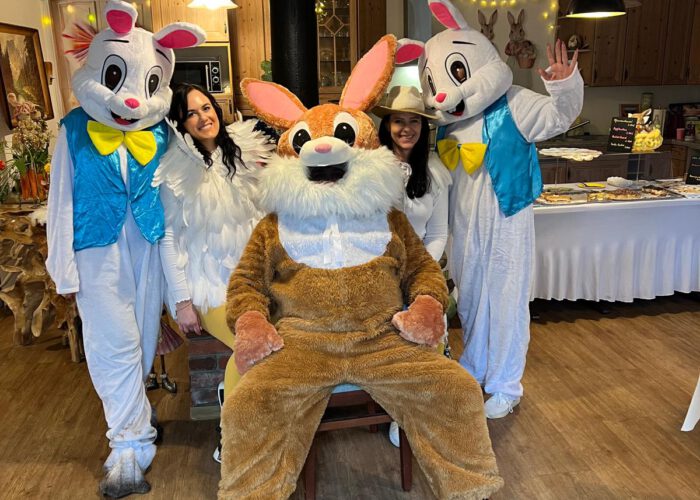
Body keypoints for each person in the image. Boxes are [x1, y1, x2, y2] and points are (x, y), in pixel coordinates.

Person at [46, 2, 206, 496]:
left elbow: (184, 192)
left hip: (149, 247)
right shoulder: (74, 129)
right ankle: (128, 447)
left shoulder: (160, 134)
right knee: (111, 346)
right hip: (95, 251)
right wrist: (62, 268)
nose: (132, 99)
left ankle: (135, 420)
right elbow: (60, 201)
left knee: (139, 338)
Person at [398, 0, 583, 419]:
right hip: (463, 223)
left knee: (506, 299)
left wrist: (565, 86)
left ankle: (505, 384)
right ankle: (477, 364)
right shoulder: (446, 122)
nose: (443, 91)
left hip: (506, 216)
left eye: (456, 72)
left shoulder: (515, 102)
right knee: (470, 297)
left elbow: (558, 117)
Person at [153, 83, 274, 461]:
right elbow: (167, 239)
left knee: (268, 346)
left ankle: (250, 420)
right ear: (180, 123)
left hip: (247, 282)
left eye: (206, 107)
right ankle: (231, 436)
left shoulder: (240, 154)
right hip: (206, 288)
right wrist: (182, 302)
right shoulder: (174, 172)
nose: (203, 117)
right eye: (191, 113)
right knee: (252, 345)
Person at [373, 85, 451, 446]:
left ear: (424, 127)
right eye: (398, 121)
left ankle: (416, 410)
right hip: (378, 268)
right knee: (389, 344)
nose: (406, 128)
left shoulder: (435, 172)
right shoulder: (371, 169)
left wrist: (420, 272)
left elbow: (438, 232)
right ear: (387, 125)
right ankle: (395, 408)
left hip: (420, 269)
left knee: (425, 329)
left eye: (414, 121)